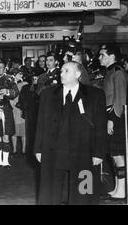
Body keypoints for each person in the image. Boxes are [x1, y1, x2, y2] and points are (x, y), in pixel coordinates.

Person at [34, 61, 107, 205]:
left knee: (84, 192)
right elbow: (41, 124)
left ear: (78, 74)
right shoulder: (48, 94)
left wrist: (99, 152)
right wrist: (38, 148)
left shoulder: (95, 95)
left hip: (83, 151)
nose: (61, 74)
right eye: (61, 71)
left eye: (66, 71)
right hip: (54, 149)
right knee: (49, 192)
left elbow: (100, 126)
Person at [99, 44, 127, 199]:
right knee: (114, 155)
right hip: (110, 116)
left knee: (118, 155)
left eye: (102, 55)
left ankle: (122, 189)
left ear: (111, 56)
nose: (100, 58)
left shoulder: (118, 73)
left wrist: (112, 120)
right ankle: (118, 188)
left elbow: (120, 99)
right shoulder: (110, 72)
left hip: (116, 118)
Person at [10, 69, 28, 156]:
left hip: (22, 109)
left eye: (21, 74)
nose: (20, 75)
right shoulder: (10, 84)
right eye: (18, 74)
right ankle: (14, 150)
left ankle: (24, 150)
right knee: (14, 131)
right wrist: (13, 104)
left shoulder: (25, 84)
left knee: (24, 132)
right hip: (13, 109)